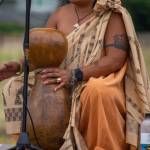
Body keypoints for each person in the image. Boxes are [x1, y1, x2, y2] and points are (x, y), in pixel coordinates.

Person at [0, 0, 150, 150]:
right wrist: (19, 66)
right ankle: (32, 144)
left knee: (97, 90)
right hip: (61, 78)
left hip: (97, 78)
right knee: (16, 86)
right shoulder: (59, 14)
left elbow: (114, 60)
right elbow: (43, 53)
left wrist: (75, 74)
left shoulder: (112, 15)